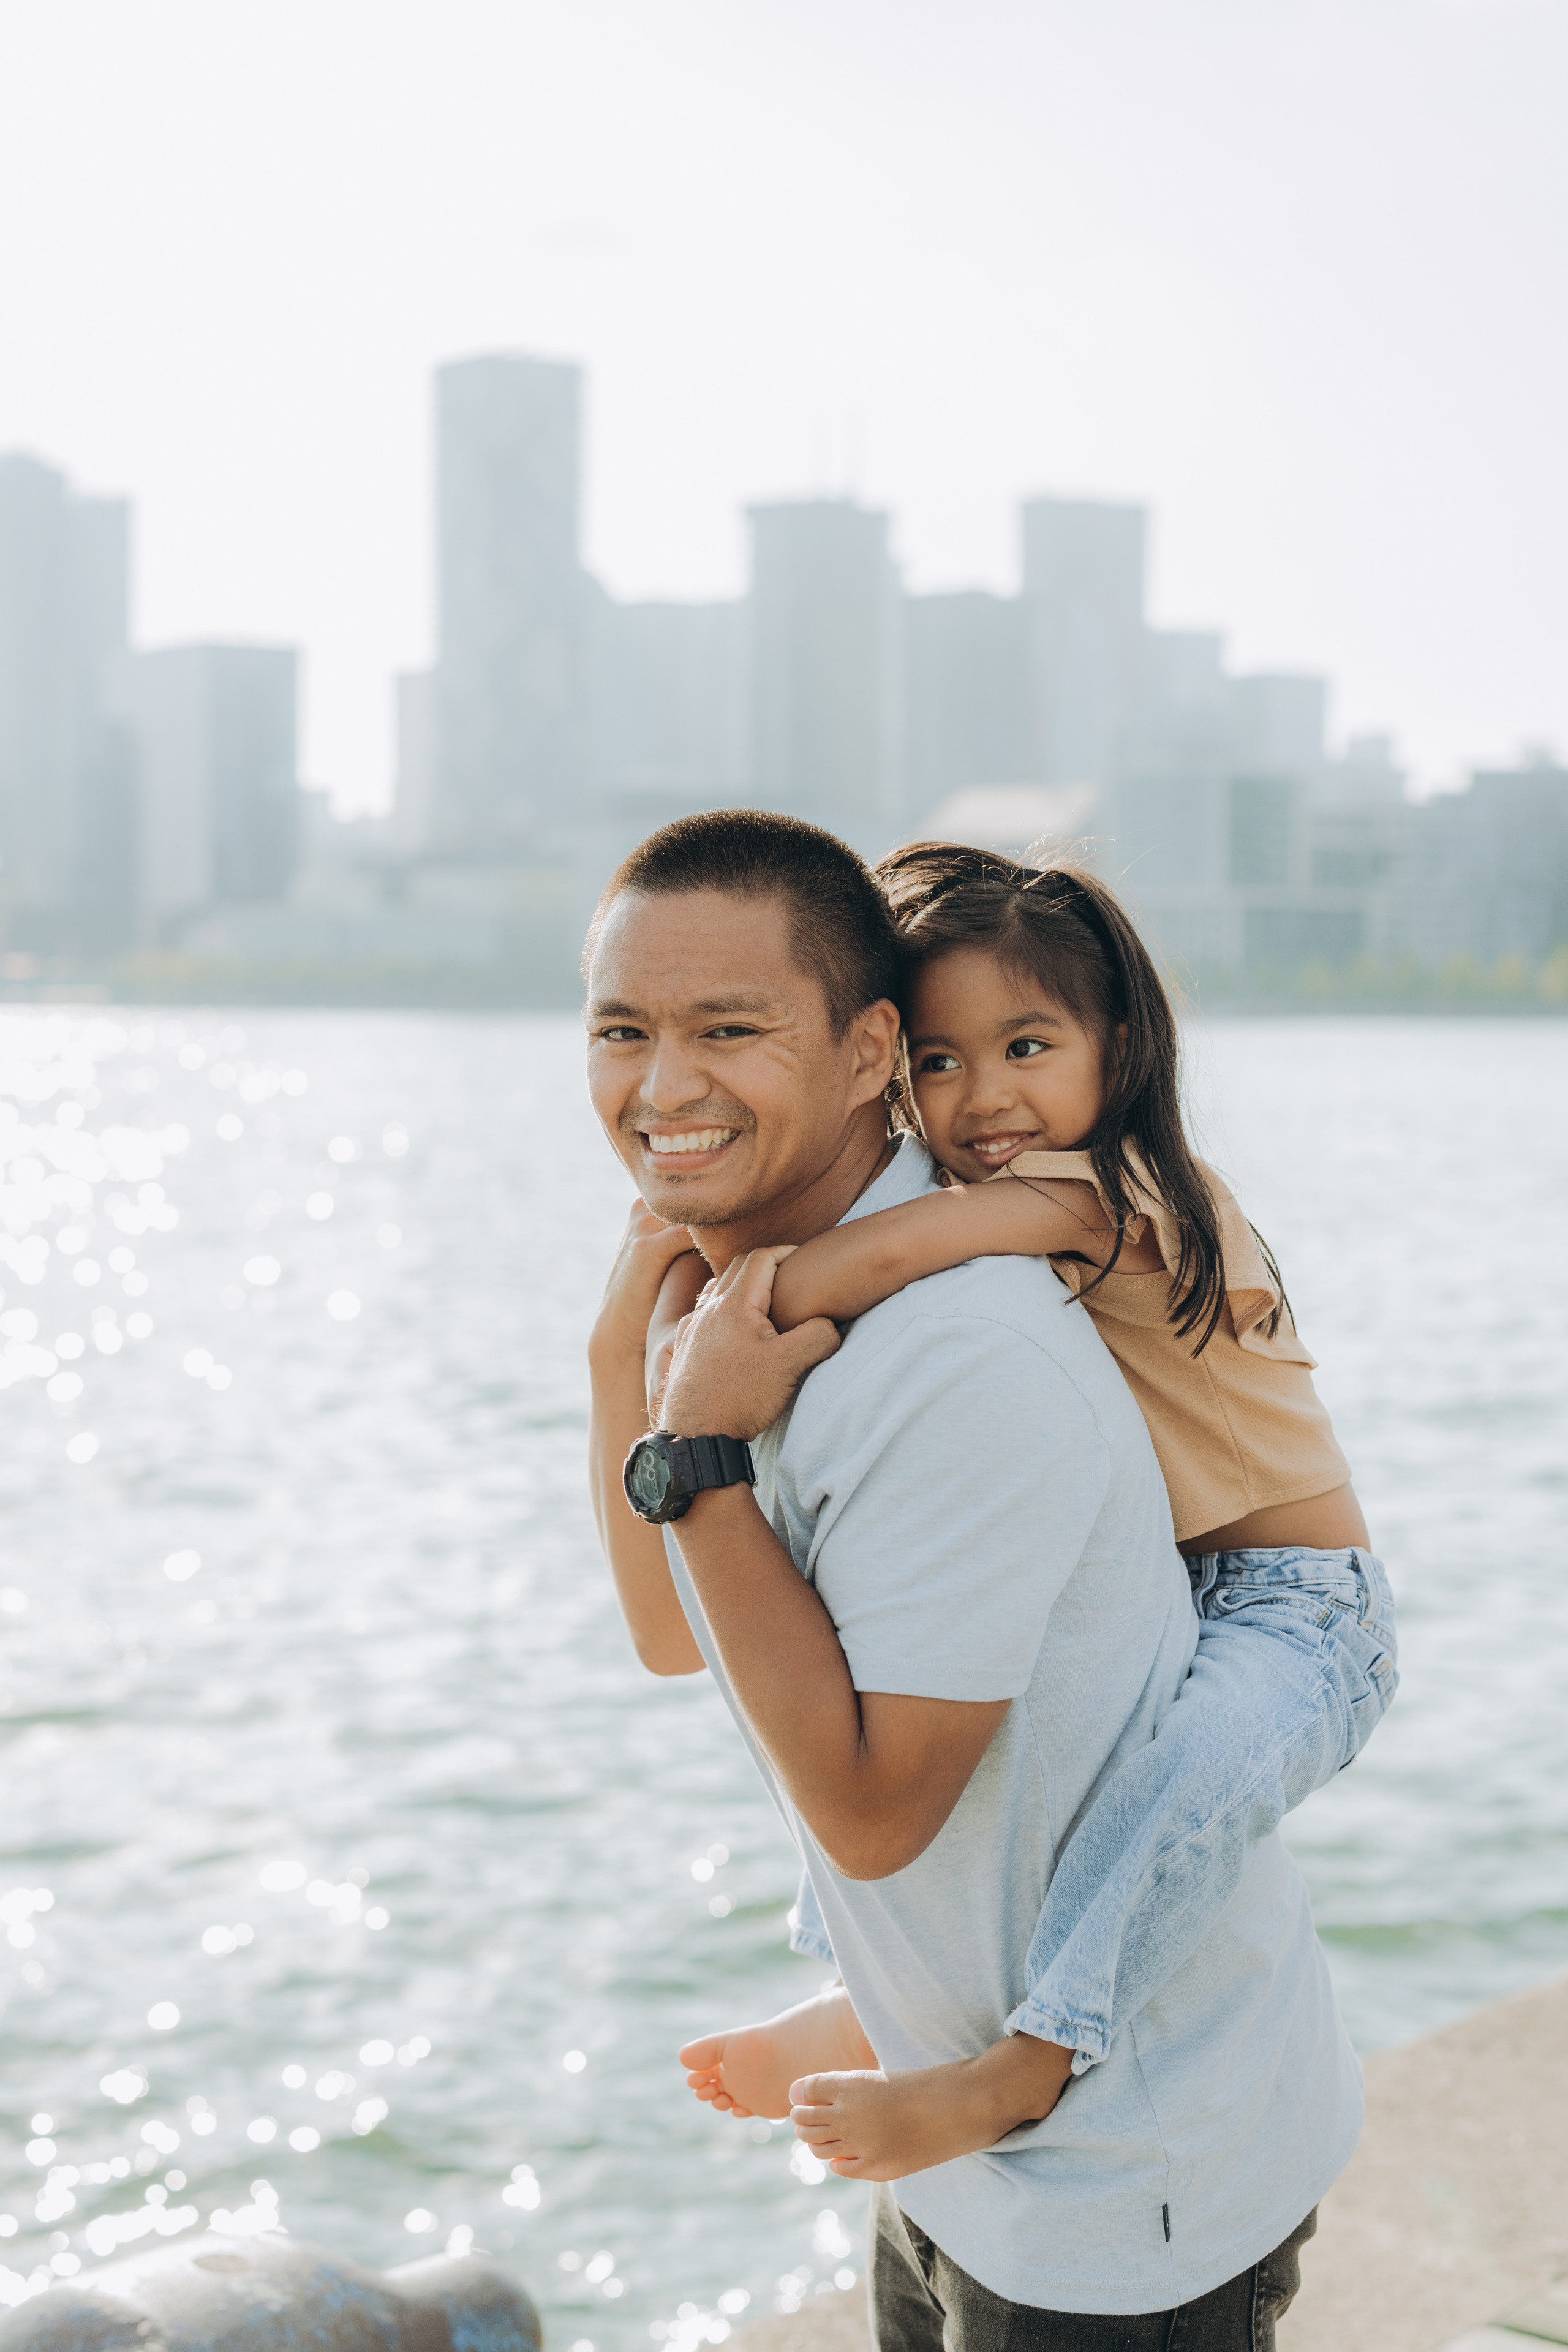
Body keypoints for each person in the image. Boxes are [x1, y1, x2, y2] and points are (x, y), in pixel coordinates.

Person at [586, 809, 1363, 2349]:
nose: (661, 1085)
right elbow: (682, 1636)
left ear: (860, 1050)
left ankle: (1018, 2048)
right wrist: (626, 1352)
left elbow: (874, 1817)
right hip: (958, 2170)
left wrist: (698, 1443)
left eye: (727, 1028)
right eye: (622, 1030)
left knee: (1181, 1788)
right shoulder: (759, 1312)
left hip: (1118, 2184)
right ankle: (910, 2021)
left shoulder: (971, 1343)